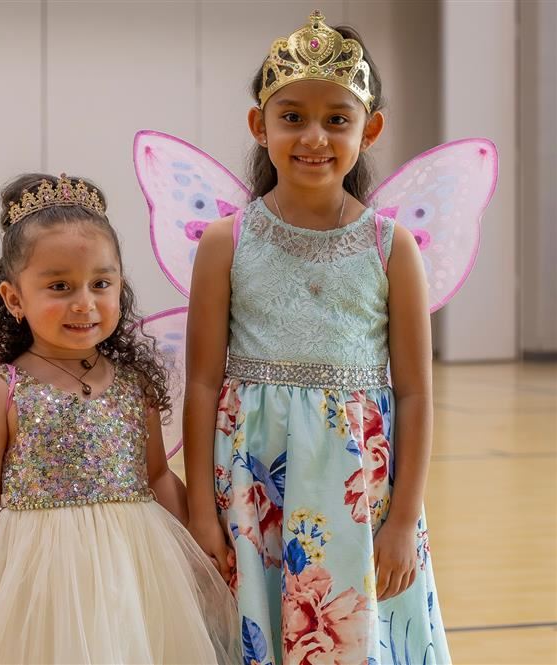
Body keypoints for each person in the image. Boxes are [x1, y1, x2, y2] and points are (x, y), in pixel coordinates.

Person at [182, 12, 451, 664]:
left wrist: (400, 521)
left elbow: (414, 392)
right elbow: (199, 380)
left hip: (355, 488)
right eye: (292, 116)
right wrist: (198, 508)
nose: (314, 136)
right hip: (251, 485)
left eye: (337, 118)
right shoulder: (225, 243)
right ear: (259, 125)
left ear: (370, 129)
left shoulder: (393, 250)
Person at [0, 173, 238, 664]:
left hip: (135, 566)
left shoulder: (134, 384)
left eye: (101, 283)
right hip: (41, 572)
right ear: (14, 299)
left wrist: (198, 549)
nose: (84, 303)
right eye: (59, 286)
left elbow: (156, 475)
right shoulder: (2, 392)